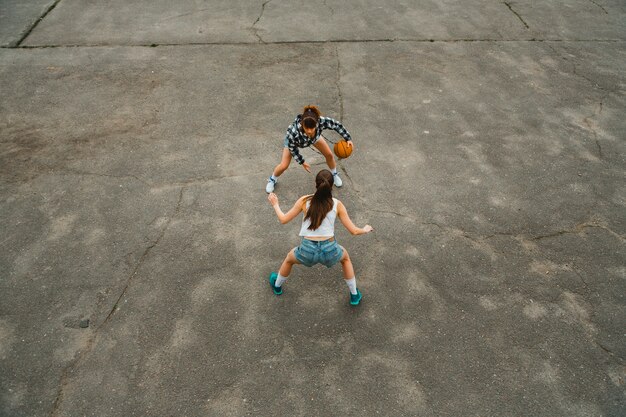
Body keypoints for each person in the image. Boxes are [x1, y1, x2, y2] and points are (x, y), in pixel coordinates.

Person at [267, 169, 373, 305]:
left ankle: (277, 285)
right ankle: (354, 295)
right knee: (345, 259)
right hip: (330, 249)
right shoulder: (337, 204)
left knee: (289, 259)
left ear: (315, 184)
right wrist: (364, 229)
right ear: (332, 185)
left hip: (307, 250)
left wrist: (275, 204)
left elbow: (283, 219)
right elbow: (353, 231)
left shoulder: (304, 201)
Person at [265, 105, 354, 193]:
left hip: (314, 139)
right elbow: (292, 149)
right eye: (306, 128)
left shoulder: (320, 121)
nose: (309, 131)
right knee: (284, 165)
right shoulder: (293, 131)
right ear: (302, 124)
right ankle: (272, 179)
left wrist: (348, 138)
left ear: (316, 124)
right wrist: (302, 161)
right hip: (295, 143)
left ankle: (334, 174)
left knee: (329, 155)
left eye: (312, 127)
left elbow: (336, 124)